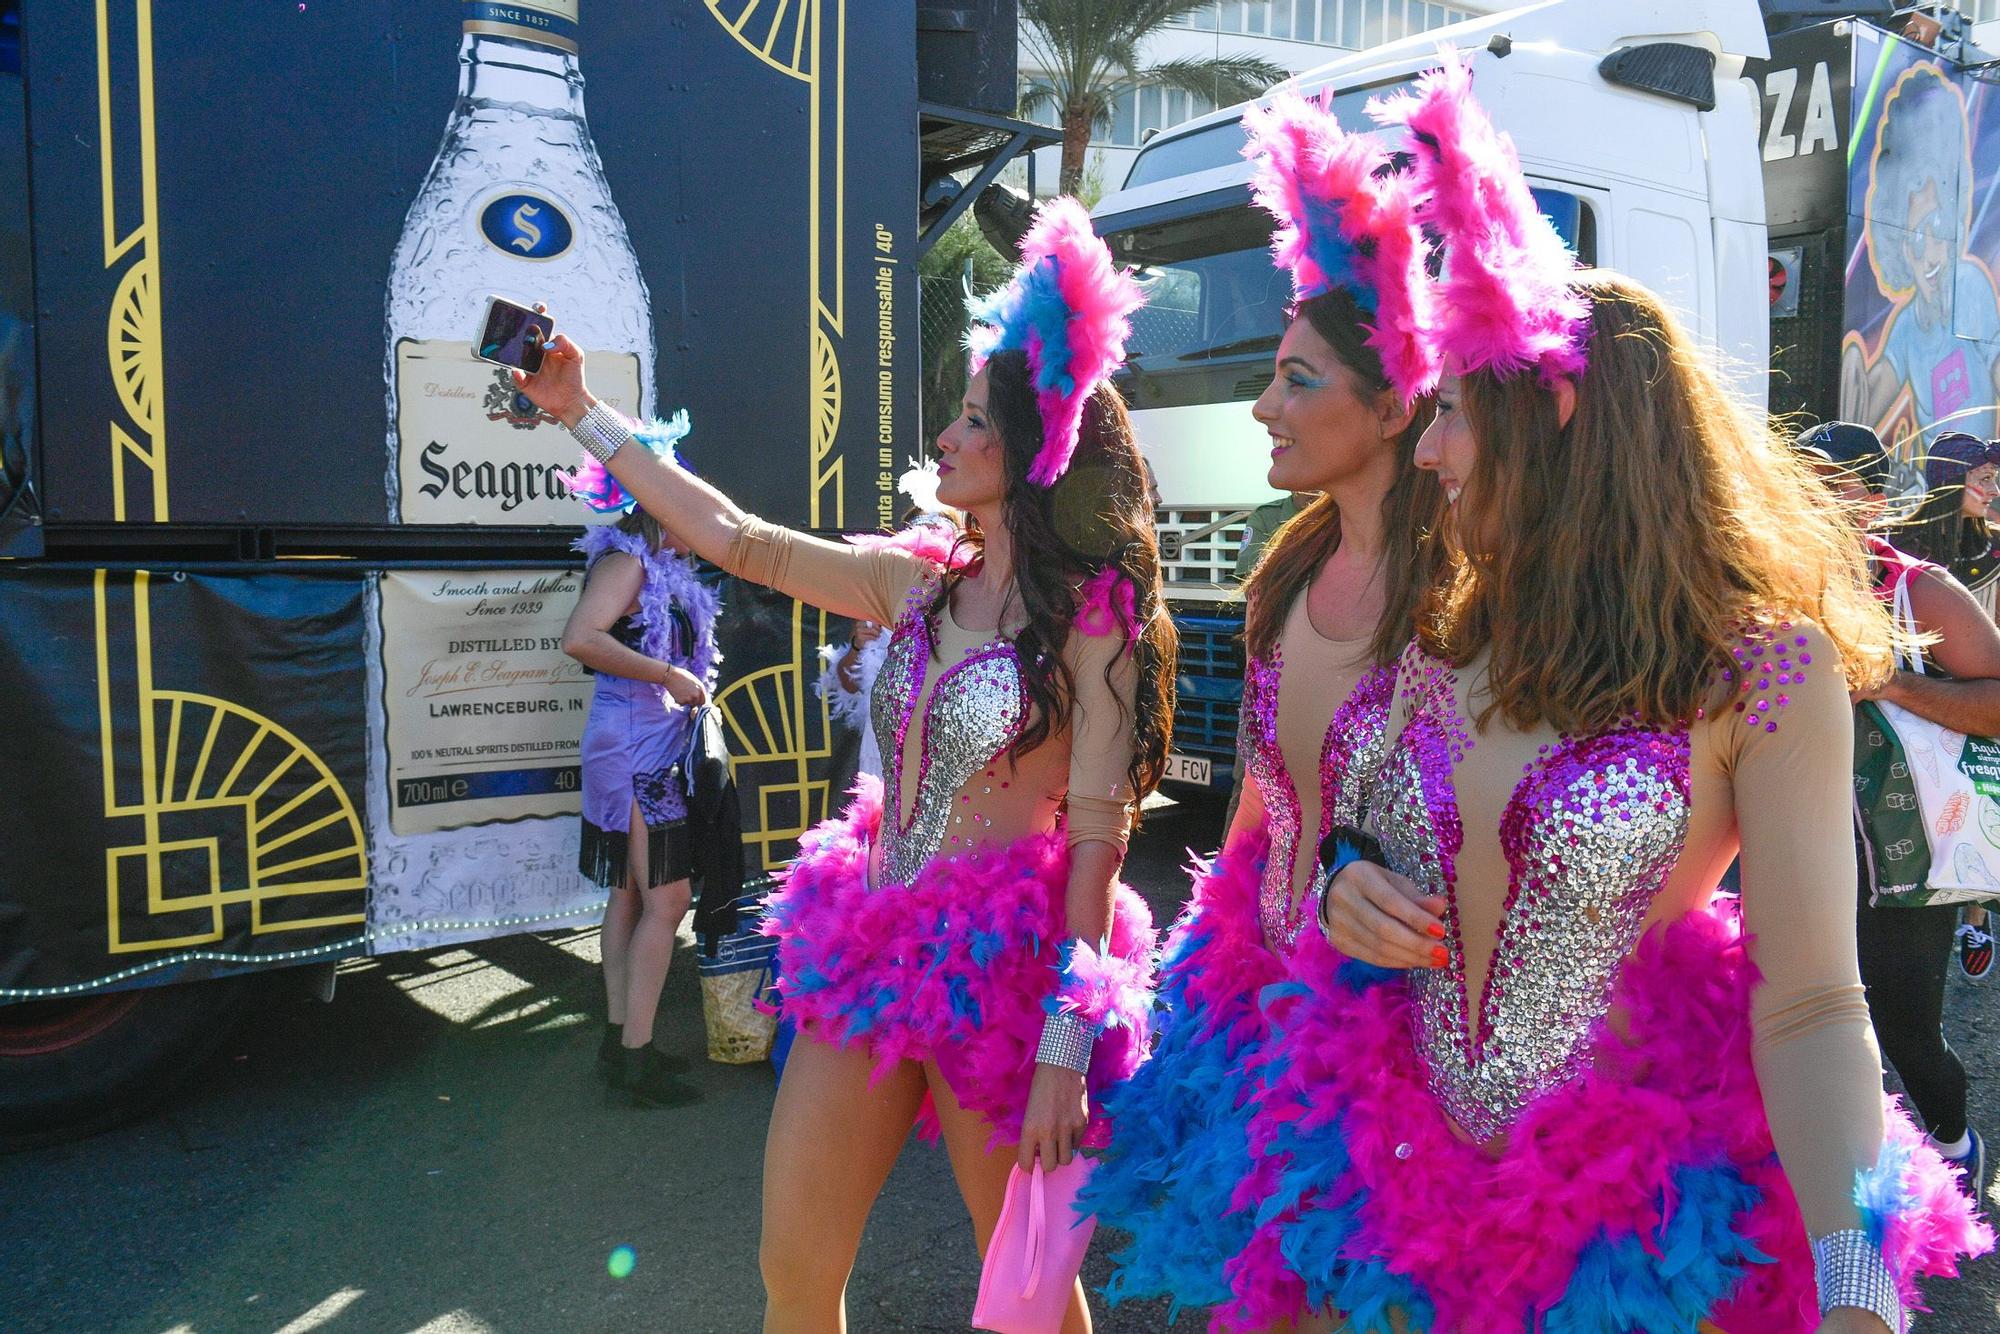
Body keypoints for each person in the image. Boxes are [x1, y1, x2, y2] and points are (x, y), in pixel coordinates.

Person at [1264, 56, 1989, 1333]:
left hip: (1627, 1228)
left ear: (1555, 421)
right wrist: (1340, 875)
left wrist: (1855, 1280)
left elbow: (1815, 995)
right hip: (1393, 1187)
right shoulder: (1442, 628)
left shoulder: (1759, 667)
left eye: (1452, 417)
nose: (1424, 450)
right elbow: (1349, 817)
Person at [514, 198, 1174, 1332]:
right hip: (870, 941)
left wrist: (1067, 1047)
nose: (945, 439)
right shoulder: (915, 581)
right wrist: (582, 413)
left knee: (1020, 1291)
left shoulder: (1094, 619)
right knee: (794, 1266)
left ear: (1034, 446)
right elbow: (738, 538)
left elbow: (1098, 841)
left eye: (971, 420)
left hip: (1003, 978)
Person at [1082, 86, 1440, 1322]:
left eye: (1295, 378)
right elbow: (1259, 800)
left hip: (1403, 1049)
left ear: (1392, 405)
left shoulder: (1470, 602)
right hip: (1258, 1002)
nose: (1259, 405)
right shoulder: (1285, 564)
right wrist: (1203, 965)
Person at [1799, 420, 2000, 1206]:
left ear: (1874, 500)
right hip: (1792, 850)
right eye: (1798, 485)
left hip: (1901, 861)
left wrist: (1890, 682)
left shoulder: (1917, 588)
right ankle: (1838, 1187)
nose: (1810, 503)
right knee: (1799, 1024)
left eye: (1832, 487)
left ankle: (1954, 1141)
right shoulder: (1764, 586)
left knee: (1903, 1033)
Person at [560, 440, 720, 1109]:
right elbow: (581, 639)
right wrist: (667, 674)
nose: (701, 519)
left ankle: (624, 1036)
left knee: (631, 893)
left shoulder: (663, 568)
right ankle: (635, 1059)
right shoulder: (628, 562)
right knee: (667, 900)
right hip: (634, 750)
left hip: (649, 741)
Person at [1890, 430, 2000, 979]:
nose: (1991, 489)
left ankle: (1976, 911)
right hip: (1914, 699)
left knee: (1980, 795)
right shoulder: (1901, 546)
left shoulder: (1995, 548)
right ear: (1947, 479)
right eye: (1981, 478)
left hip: (1983, 688)